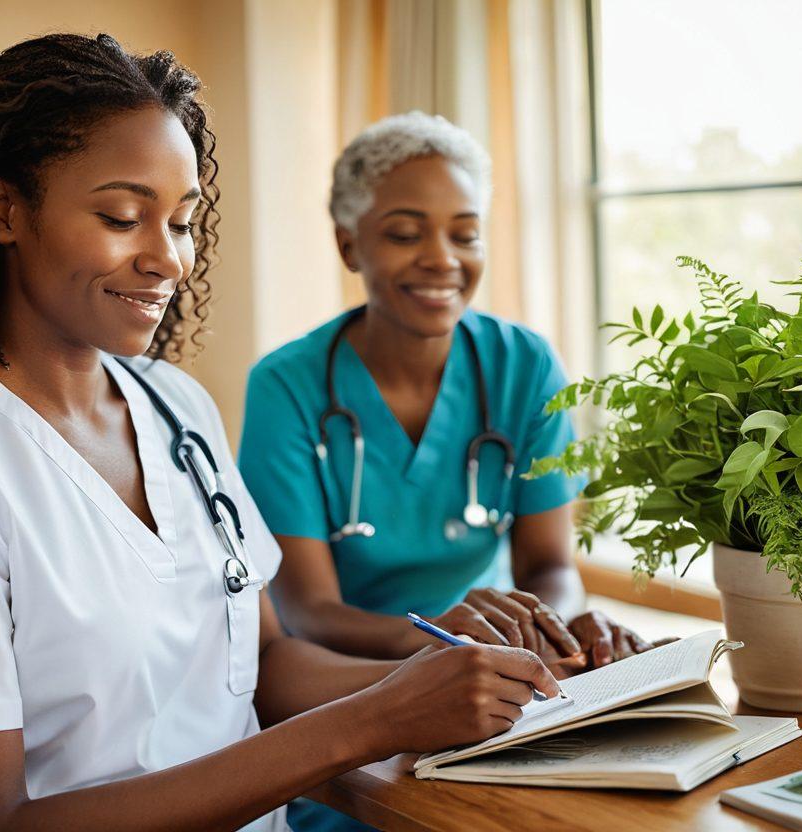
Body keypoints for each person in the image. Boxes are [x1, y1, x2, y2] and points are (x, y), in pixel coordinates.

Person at [0, 36, 560, 832]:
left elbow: (266, 662)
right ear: (4, 210)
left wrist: (436, 669)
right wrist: (372, 721)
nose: (168, 260)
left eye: (181, 222)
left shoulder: (176, 406)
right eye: (121, 217)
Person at [238, 112, 666, 832]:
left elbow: (550, 561)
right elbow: (306, 609)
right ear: (350, 245)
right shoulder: (286, 386)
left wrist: (557, 627)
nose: (442, 258)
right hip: (353, 698)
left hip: (499, 697)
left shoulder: (523, 366)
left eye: (465, 233)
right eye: (406, 233)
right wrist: (432, 638)